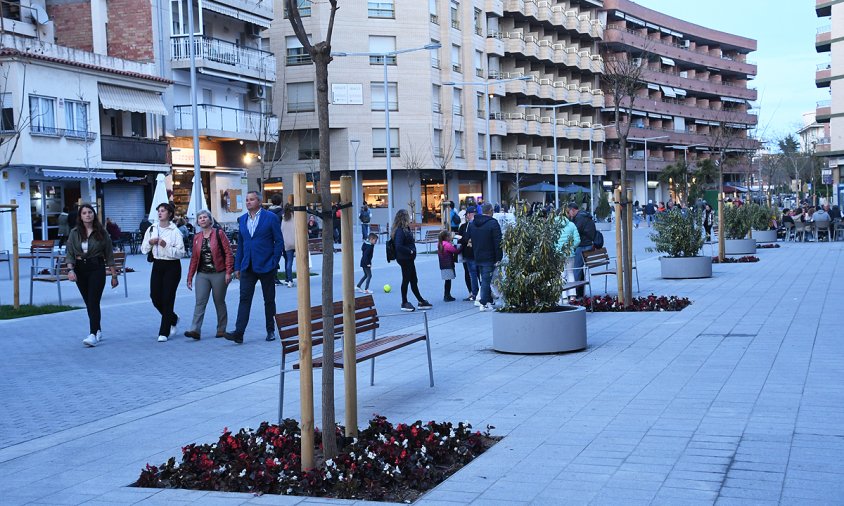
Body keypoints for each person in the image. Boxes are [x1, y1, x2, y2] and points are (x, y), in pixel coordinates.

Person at [225, 191, 284, 344]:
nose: (248, 202)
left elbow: (279, 241)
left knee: (269, 300)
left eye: (251, 199)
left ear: (259, 201)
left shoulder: (270, 217)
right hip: (248, 266)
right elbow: (242, 245)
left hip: (266, 265)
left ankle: (270, 330)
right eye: (246, 200)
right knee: (244, 299)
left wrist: (274, 261)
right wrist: (237, 266)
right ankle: (239, 332)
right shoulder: (242, 219)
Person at [66, 204, 119, 347]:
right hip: (80, 269)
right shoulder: (74, 232)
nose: (88, 215)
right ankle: (98, 330)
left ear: (94, 215)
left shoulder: (101, 232)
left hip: (97, 268)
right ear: (80, 216)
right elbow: (70, 253)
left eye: (90, 212)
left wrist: (114, 276)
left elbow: (109, 255)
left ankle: (93, 333)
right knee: (88, 302)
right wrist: (70, 270)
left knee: (93, 301)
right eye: (84, 213)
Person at [184, 210, 234, 340]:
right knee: (200, 301)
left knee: (219, 301)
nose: (202, 219)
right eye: (200, 218)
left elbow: (228, 253)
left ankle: (221, 329)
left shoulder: (219, 233)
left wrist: (229, 272)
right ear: (198, 222)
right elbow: (194, 258)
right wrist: (190, 277)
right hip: (202, 274)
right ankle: (195, 330)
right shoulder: (197, 237)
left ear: (210, 220)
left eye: (205, 217)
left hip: (219, 272)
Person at [141, 203, 186, 343]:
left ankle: (164, 331)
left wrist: (165, 246)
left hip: (172, 266)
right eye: (158, 211)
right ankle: (172, 318)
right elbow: (143, 249)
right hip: (157, 264)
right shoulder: (152, 228)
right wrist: (150, 242)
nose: (160, 213)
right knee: (155, 296)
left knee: (168, 298)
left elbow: (181, 253)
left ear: (170, 214)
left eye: (163, 211)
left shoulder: (175, 231)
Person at [391, 209, 432, 312]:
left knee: (414, 279)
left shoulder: (405, 228)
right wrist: (410, 251)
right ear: (404, 217)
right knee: (406, 280)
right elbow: (398, 246)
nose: (410, 217)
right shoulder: (400, 230)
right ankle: (404, 302)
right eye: (408, 216)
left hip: (408, 259)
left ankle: (420, 300)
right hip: (404, 259)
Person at [469, 202, 503, 312]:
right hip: (490, 257)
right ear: (491, 211)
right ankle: (483, 302)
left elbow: (472, 239)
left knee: (485, 279)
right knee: (486, 280)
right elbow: (498, 242)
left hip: (478, 255)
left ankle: (488, 301)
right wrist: (499, 258)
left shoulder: (473, 223)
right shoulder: (493, 223)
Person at [567, 202, 596, 301]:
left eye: (568, 212)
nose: (569, 214)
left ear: (572, 210)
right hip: (588, 245)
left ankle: (574, 293)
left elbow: (575, 231)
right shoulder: (585, 215)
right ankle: (580, 292)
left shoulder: (579, 218)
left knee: (576, 269)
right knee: (580, 270)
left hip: (582, 245)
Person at [557, 209, 580, 301]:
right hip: (569, 254)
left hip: (558, 254)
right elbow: (577, 240)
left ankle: (563, 295)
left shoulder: (554, 225)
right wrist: (571, 248)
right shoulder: (571, 225)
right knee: (570, 273)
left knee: (561, 274)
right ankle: (572, 296)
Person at [457, 205, 478, 301]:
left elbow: (463, 239)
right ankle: (472, 292)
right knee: (469, 273)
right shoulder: (463, 226)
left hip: (473, 254)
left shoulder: (473, 225)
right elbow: (462, 240)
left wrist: (464, 239)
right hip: (467, 254)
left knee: (474, 273)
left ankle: (477, 294)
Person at [438, 229, 461, 302]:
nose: (451, 237)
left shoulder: (440, 243)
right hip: (448, 264)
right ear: (446, 237)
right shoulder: (447, 245)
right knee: (448, 281)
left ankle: (447, 295)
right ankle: (447, 296)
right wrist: (461, 247)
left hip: (443, 265)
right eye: (450, 236)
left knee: (447, 281)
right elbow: (455, 251)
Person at [268, 195, 285, 286]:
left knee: (272, 257)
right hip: (280, 236)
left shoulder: (267, 212)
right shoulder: (282, 212)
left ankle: (273, 277)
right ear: (280, 202)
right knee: (283, 257)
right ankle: (285, 278)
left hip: (269, 238)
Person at [280, 203, 295, 287]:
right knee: (302, 261)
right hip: (297, 242)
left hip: (287, 243)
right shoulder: (296, 217)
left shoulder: (284, 218)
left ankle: (289, 280)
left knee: (289, 262)